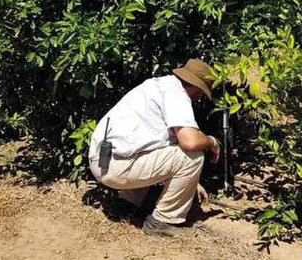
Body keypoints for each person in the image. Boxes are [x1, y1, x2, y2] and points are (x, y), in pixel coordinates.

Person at [89, 58, 221, 237]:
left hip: (101, 160)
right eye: (201, 93)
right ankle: (162, 221)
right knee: (194, 154)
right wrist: (212, 142)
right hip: (117, 166)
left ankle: (125, 206)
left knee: (150, 151)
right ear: (197, 88)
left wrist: (192, 182)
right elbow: (190, 142)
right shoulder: (177, 95)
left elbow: (160, 145)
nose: (199, 99)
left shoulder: (157, 85)